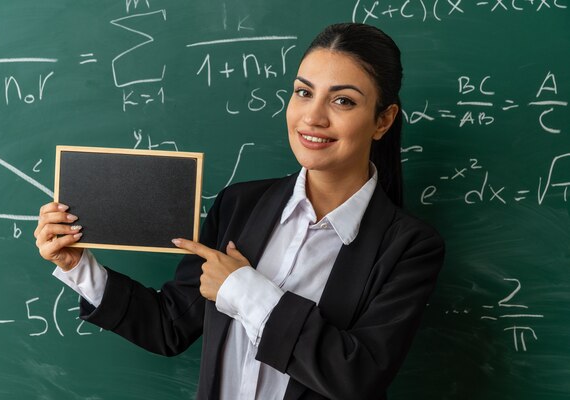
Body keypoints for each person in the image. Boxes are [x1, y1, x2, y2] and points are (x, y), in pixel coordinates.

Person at [35, 23, 445, 400]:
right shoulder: (240, 206)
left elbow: (357, 375)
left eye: (343, 100)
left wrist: (242, 288)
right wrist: (78, 265)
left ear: (383, 120)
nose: (313, 117)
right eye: (303, 92)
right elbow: (169, 327)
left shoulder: (410, 247)